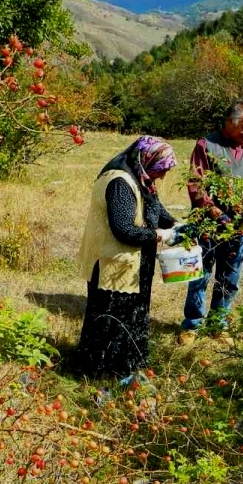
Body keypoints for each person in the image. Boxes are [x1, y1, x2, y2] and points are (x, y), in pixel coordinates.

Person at [76, 136, 180, 383]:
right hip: (112, 263)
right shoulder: (120, 182)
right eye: (160, 169)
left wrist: (176, 224)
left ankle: (126, 367)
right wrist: (161, 235)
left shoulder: (141, 177)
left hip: (132, 262)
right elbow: (123, 229)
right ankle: (104, 373)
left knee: (133, 314)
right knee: (113, 318)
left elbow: (155, 208)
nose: (161, 176)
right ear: (147, 159)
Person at [178, 99, 243, 346]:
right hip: (208, 226)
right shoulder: (207, 145)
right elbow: (195, 184)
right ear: (229, 122)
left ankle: (218, 325)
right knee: (201, 276)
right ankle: (192, 325)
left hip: (238, 228)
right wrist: (215, 211)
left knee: (230, 278)